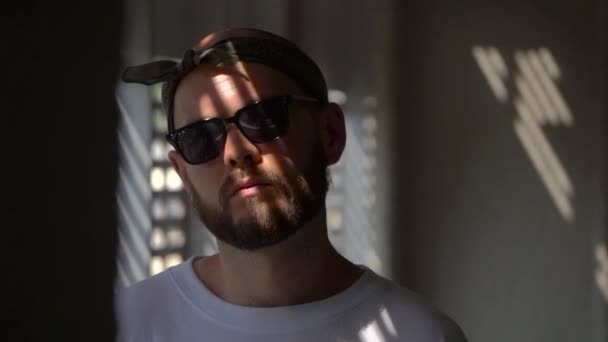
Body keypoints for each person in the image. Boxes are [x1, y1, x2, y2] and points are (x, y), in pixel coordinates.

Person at [116, 27, 468, 342]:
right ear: (182, 173)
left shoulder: (422, 334)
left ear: (330, 133)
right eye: (199, 138)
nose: (236, 152)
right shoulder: (124, 325)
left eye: (263, 118)